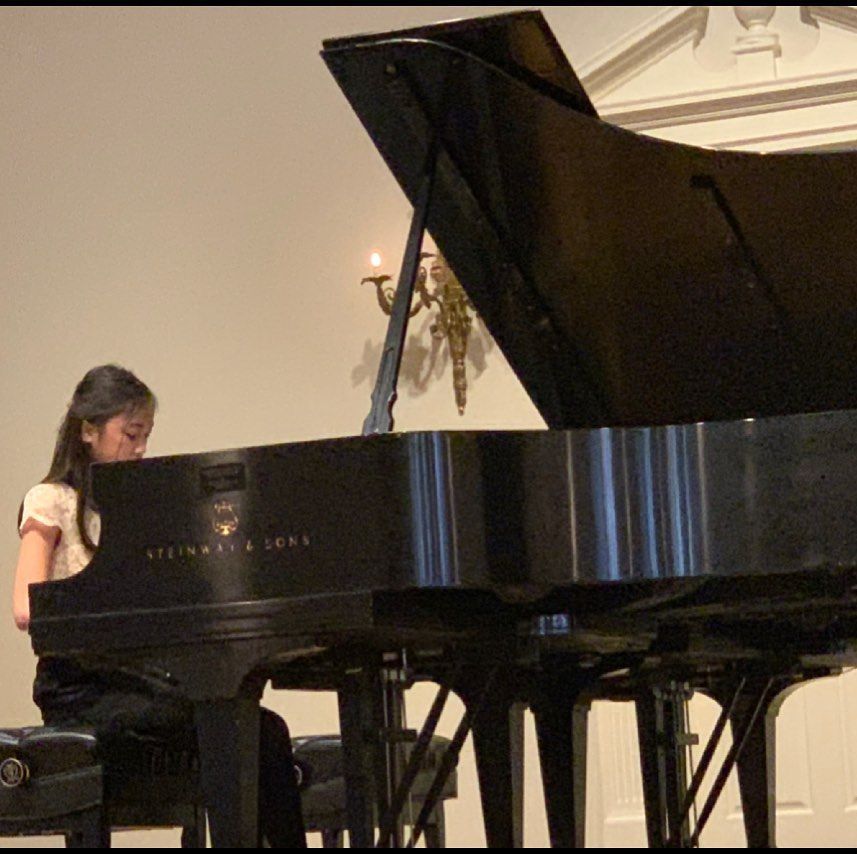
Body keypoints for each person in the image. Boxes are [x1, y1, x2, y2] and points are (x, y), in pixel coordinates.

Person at [12, 364, 306, 847]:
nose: (141, 448)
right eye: (131, 434)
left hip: (140, 681)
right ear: (88, 431)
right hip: (81, 688)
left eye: (146, 435)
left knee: (264, 729)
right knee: (230, 727)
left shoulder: (135, 508)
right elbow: (26, 607)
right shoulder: (50, 500)